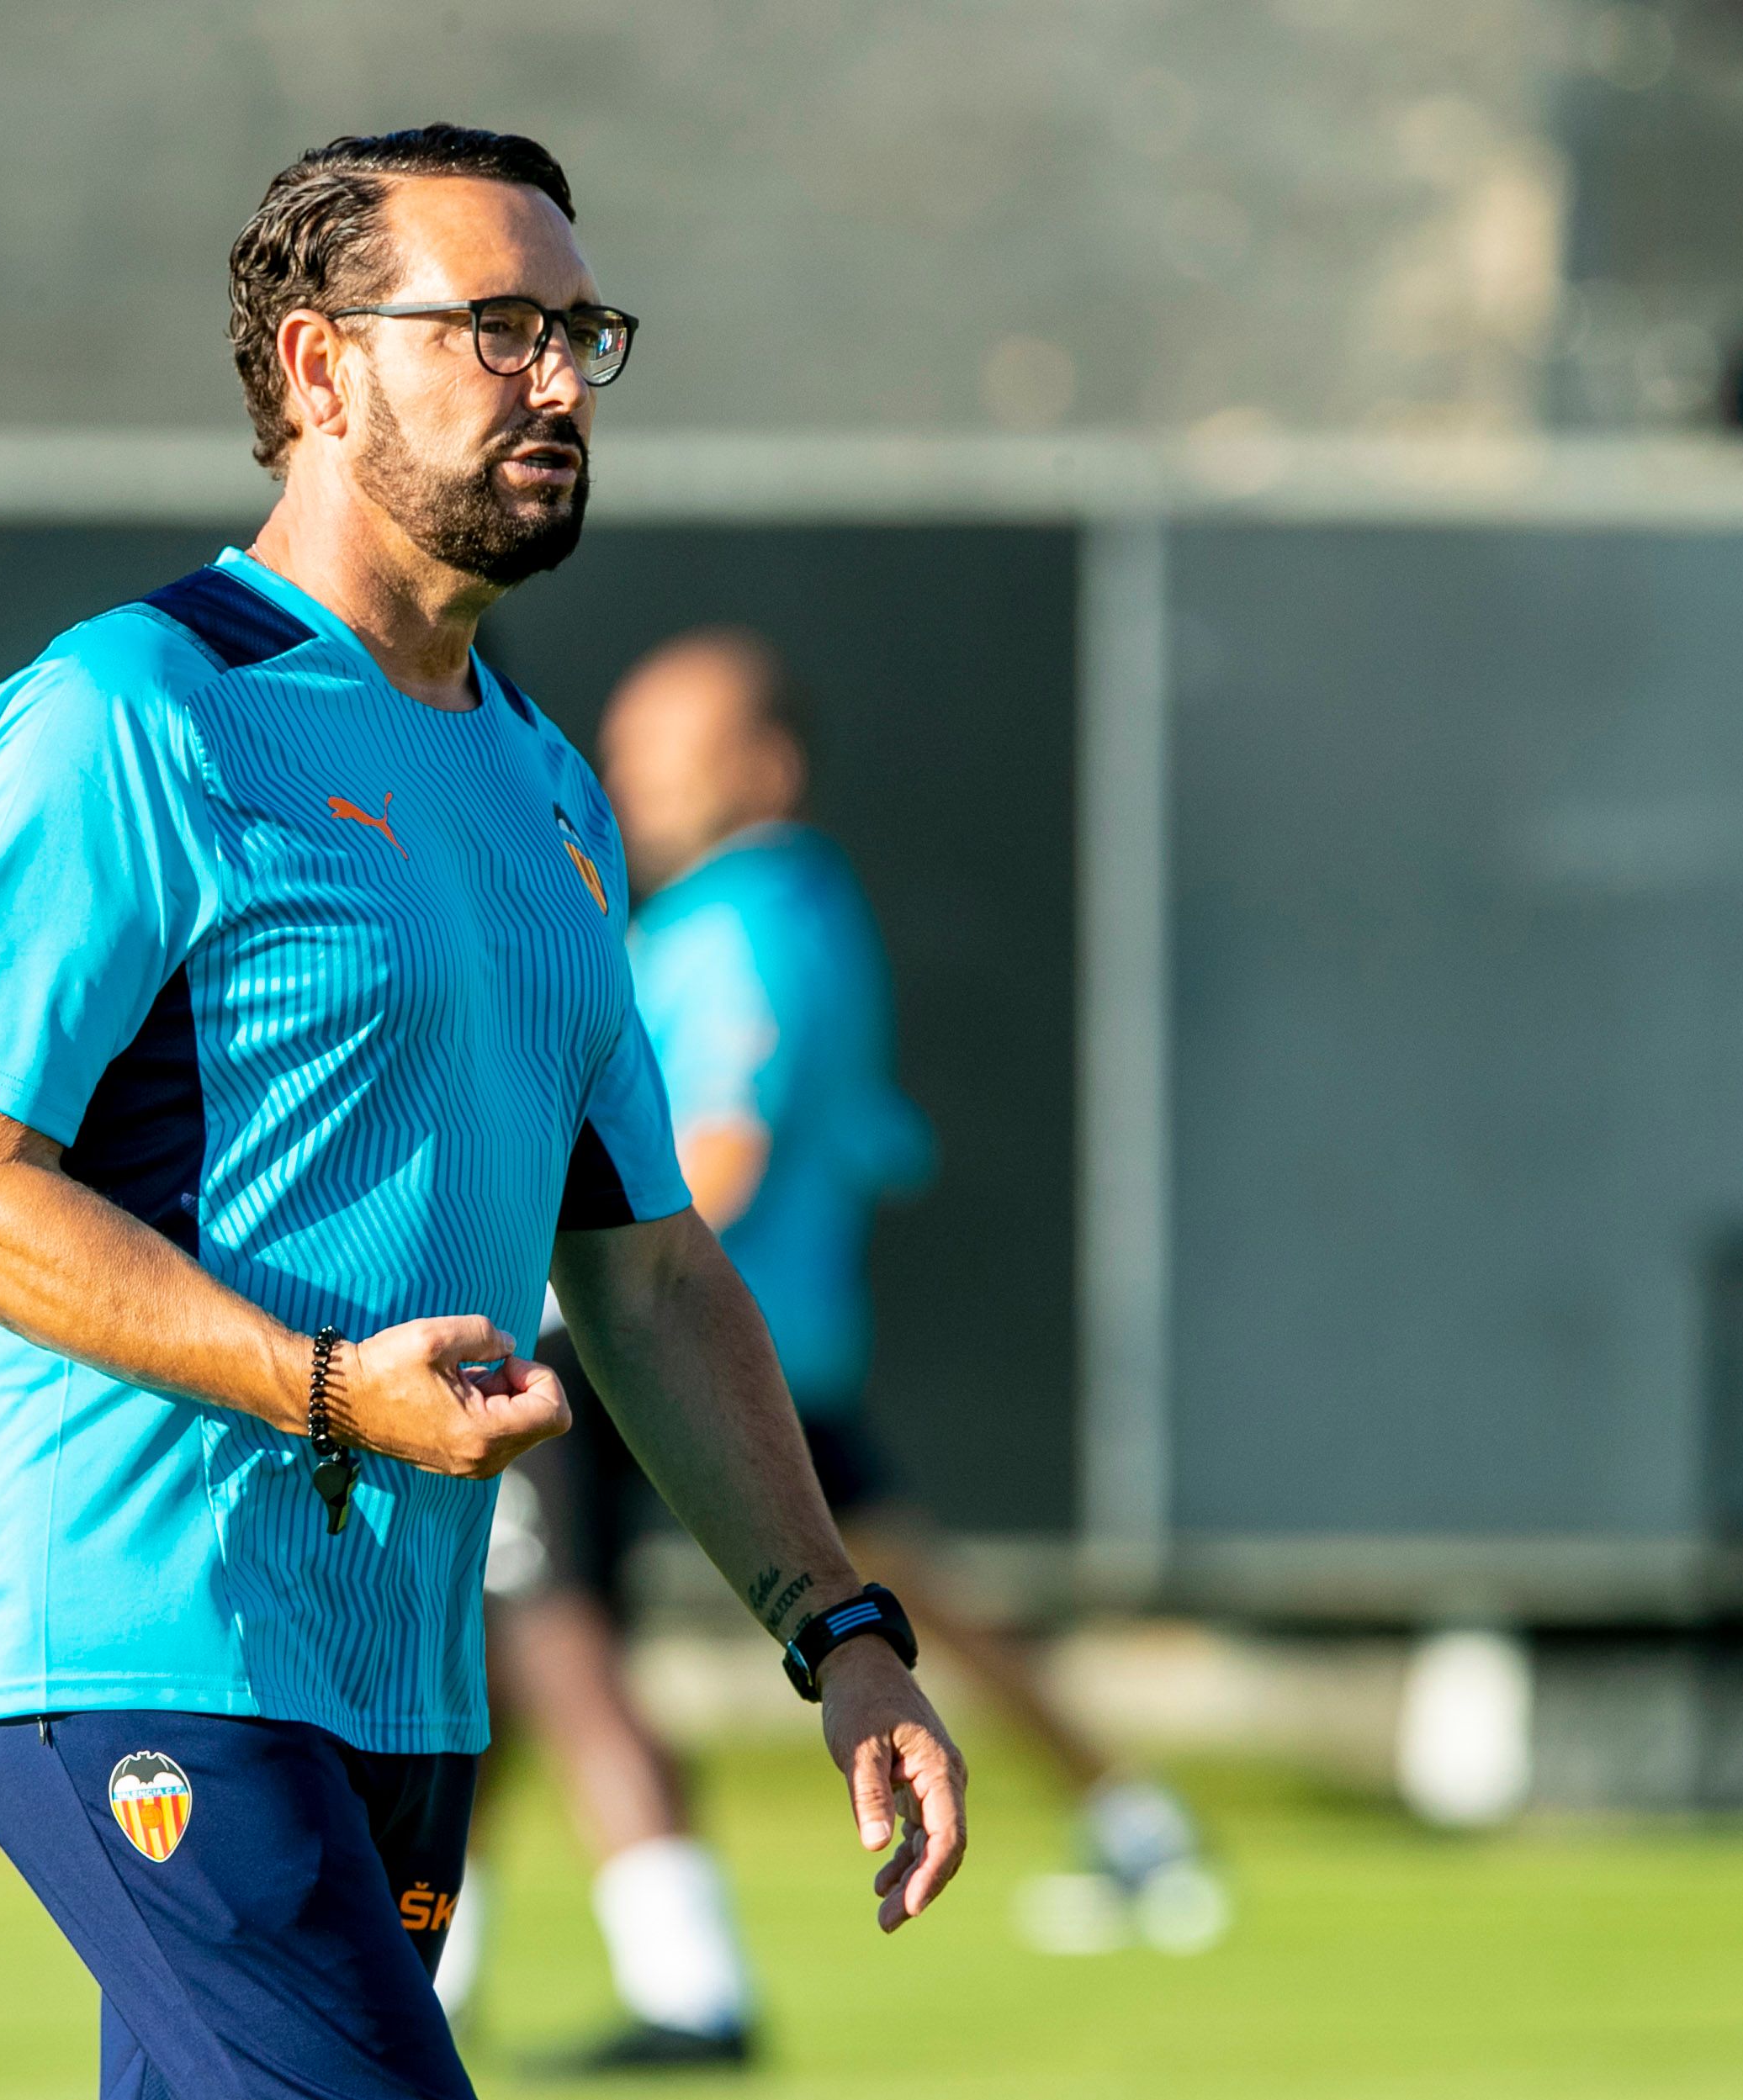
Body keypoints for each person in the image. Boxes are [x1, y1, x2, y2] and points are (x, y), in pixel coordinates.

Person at [0, 125, 967, 2100]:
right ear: (315, 369)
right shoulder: (129, 713)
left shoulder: (547, 786)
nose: (555, 380)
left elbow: (640, 1265)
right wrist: (314, 1384)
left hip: (390, 1674)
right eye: (494, 329)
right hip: (135, 1637)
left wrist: (842, 1628)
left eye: (577, 333)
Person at [436, 634, 1222, 2054]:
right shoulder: (763, 913)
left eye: (668, 748)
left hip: (667, 1351)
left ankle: (688, 1982)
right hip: (777, 1344)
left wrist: (585, 1289)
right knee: (884, 1603)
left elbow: (711, 1164)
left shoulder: (742, 925)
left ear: (764, 765)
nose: (628, 773)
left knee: (552, 1634)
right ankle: (1133, 1813)